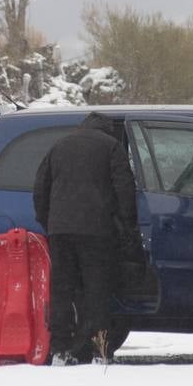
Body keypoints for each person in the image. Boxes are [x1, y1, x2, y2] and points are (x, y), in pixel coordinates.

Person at [33, 112, 142, 366]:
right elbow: (124, 188)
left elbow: (40, 188)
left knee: (62, 291)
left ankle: (60, 350)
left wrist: (48, 222)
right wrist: (128, 227)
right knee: (97, 291)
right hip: (97, 232)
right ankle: (98, 351)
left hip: (60, 232)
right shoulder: (111, 147)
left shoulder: (60, 145)